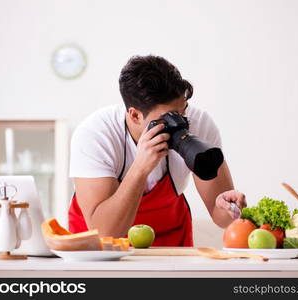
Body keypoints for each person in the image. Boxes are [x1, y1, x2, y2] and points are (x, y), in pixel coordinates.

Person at [68, 55, 246, 246]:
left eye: (182, 111)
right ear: (135, 115)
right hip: (99, 247)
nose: (180, 122)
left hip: (170, 242)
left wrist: (231, 209)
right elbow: (107, 231)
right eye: (169, 117)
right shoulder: (96, 135)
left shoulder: (199, 124)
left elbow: (222, 219)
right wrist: (140, 168)